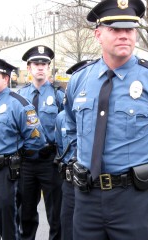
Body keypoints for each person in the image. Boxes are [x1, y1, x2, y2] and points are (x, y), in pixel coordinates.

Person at [64, 1, 148, 239]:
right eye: (115, 29)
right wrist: (78, 165)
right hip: (86, 200)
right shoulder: (79, 80)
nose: (124, 36)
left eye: (129, 30)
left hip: (134, 200)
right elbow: (69, 131)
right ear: (98, 34)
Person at [0, 55, 46, 240]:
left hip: (5, 175)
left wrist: (16, 159)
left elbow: (36, 141)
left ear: (5, 78)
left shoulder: (19, 105)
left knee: (9, 229)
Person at [17, 45, 64, 240]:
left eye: (44, 64)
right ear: (28, 68)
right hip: (26, 163)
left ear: (49, 67)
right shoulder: (19, 96)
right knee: (25, 214)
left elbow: (66, 127)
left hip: (50, 162)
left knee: (56, 214)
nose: (40, 67)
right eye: (36, 63)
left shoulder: (58, 95)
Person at [55, 59, 93, 240]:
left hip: (93, 182)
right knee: (68, 227)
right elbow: (61, 147)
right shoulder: (62, 117)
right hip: (71, 181)